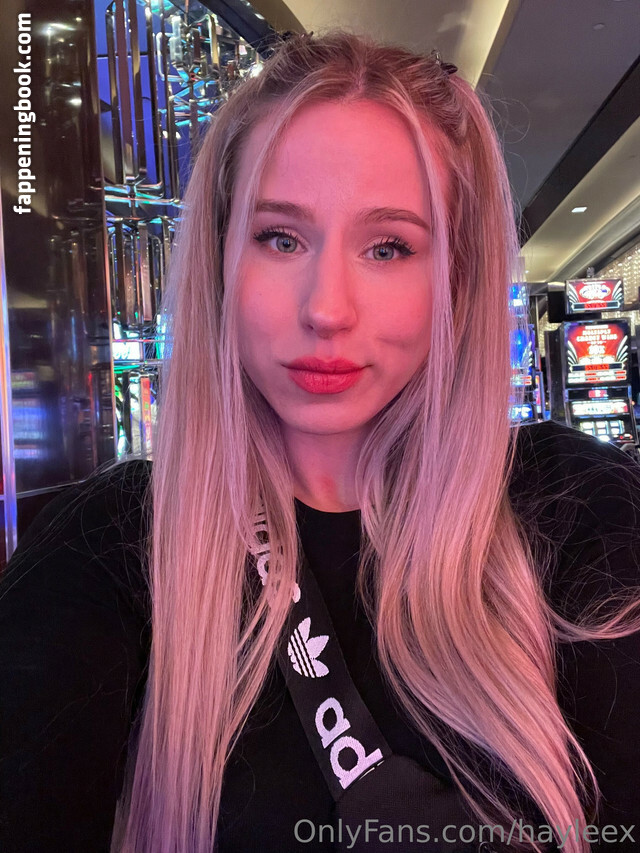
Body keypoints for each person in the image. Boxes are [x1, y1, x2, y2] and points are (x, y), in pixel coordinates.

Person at [1, 29, 640, 853]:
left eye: (388, 247)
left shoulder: (582, 508)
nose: (326, 308)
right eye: (280, 238)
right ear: (221, 260)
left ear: (457, 279)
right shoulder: (113, 542)